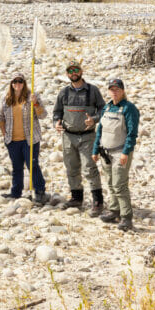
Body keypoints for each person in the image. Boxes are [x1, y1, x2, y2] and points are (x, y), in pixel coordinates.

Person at [53, 60, 106, 215]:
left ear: (81, 71)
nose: (73, 73)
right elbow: (57, 112)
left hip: (87, 136)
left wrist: (94, 120)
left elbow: (103, 109)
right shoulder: (64, 92)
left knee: (89, 168)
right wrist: (56, 123)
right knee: (71, 168)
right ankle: (76, 198)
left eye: (76, 70)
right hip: (68, 137)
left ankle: (98, 201)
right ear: (67, 74)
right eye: (70, 71)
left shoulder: (92, 90)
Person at [92, 79, 140, 231]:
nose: (114, 92)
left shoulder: (129, 108)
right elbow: (99, 130)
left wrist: (126, 152)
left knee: (120, 184)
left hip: (120, 152)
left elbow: (132, 133)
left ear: (123, 91)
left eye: (117, 89)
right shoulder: (106, 107)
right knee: (111, 184)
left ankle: (127, 217)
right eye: (112, 89)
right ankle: (114, 211)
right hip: (106, 152)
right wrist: (95, 150)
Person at [0, 72, 48, 204]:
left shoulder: (32, 96)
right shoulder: (6, 98)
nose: (17, 84)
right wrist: (5, 134)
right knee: (16, 167)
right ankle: (15, 192)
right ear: (11, 84)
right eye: (15, 81)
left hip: (30, 139)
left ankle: (40, 191)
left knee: (33, 164)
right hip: (12, 140)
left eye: (20, 81)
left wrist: (35, 104)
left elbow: (43, 115)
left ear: (24, 83)